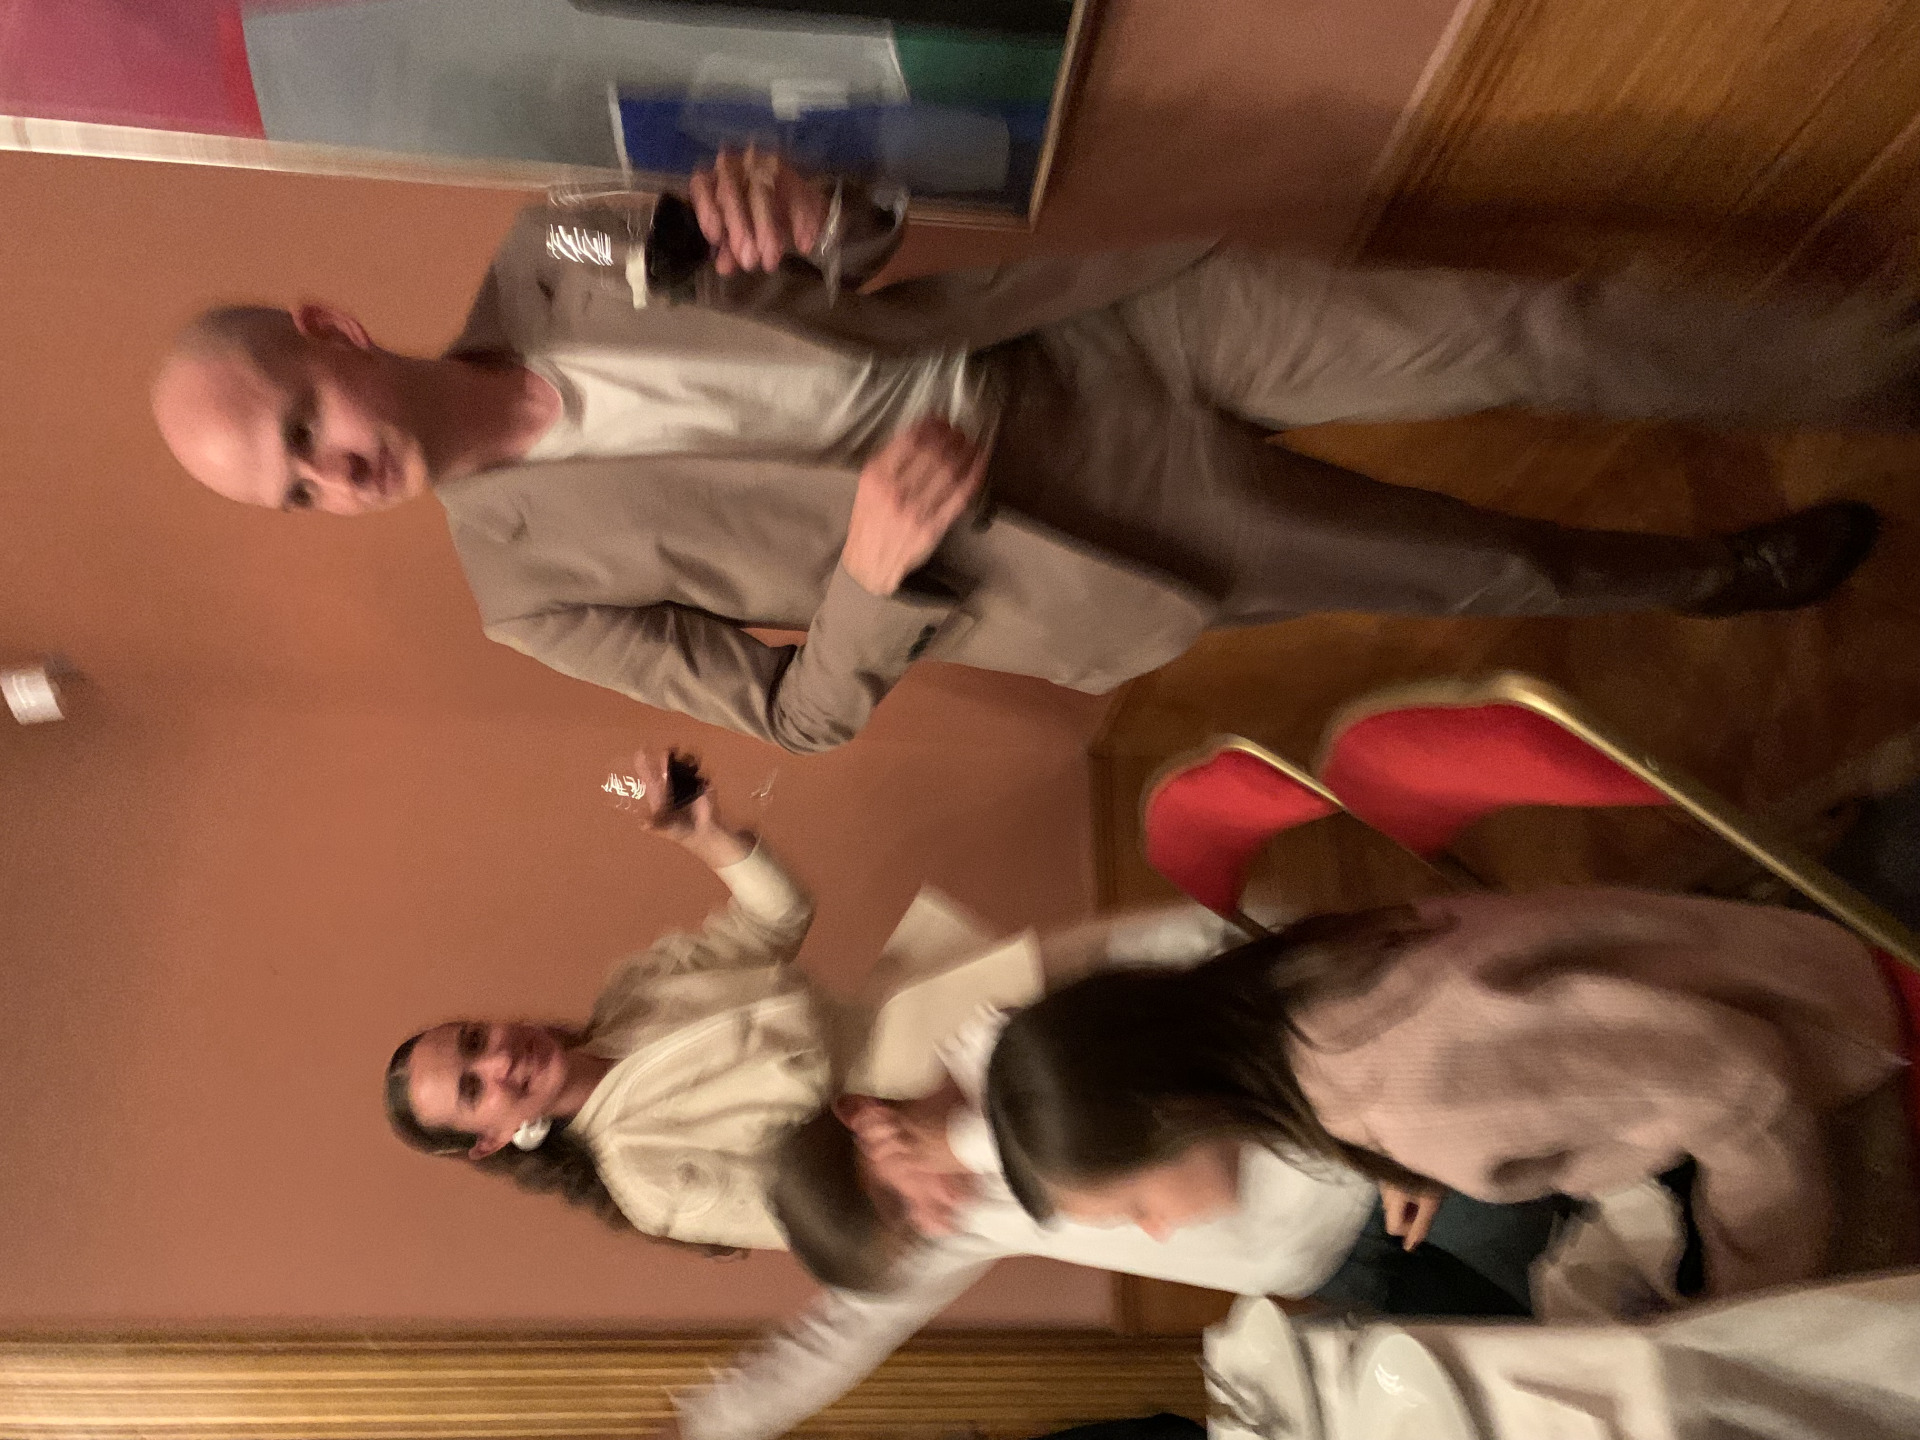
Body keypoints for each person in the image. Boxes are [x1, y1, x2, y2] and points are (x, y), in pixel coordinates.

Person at [151, 150, 1896, 753]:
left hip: (1097, 335)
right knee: (1479, 563)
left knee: (1539, 334)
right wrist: (865, 581)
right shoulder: (525, 601)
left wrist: (817, 208)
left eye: (304, 429)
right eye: (293, 493)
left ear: (330, 330)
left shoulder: (560, 242)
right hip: (1089, 527)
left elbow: (838, 247)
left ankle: (1887, 363)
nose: (331, 478)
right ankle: (1709, 577)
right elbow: (796, 718)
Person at [654, 927, 1565, 1440]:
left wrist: (1370, 1142)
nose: (930, 1220)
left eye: (899, 1200)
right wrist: (702, 1428)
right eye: (912, 1233)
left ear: (865, 1116)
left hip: (1372, 1167)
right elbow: (837, 1335)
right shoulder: (954, 1221)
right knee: (1542, 1356)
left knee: (1575, 1231)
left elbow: (1214, 971)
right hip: (1333, 1272)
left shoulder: (1005, 1043)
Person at [984, 890, 1910, 1302]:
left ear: (1172, 1117)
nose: (1157, 1234)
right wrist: (1403, 1153)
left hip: (1840, 1038)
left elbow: (1747, 1087)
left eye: (1136, 1208)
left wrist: (1753, 1297)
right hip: (1736, 973)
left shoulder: (1411, 1094)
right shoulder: (1279, 991)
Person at [383, 751, 824, 1251]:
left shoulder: (636, 989)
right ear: (492, 1140)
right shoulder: (646, 1179)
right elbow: (832, 1224)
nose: (498, 1060)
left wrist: (706, 836)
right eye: (472, 1089)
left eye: (475, 1040)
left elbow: (780, 918)